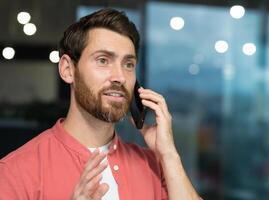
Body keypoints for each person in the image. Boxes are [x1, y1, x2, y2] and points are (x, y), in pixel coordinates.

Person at [0, 8, 202, 200]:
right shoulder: (15, 172)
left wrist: (168, 154)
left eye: (128, 64)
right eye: (103, 60)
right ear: (68, 70)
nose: (120, 76)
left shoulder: (154, 166)